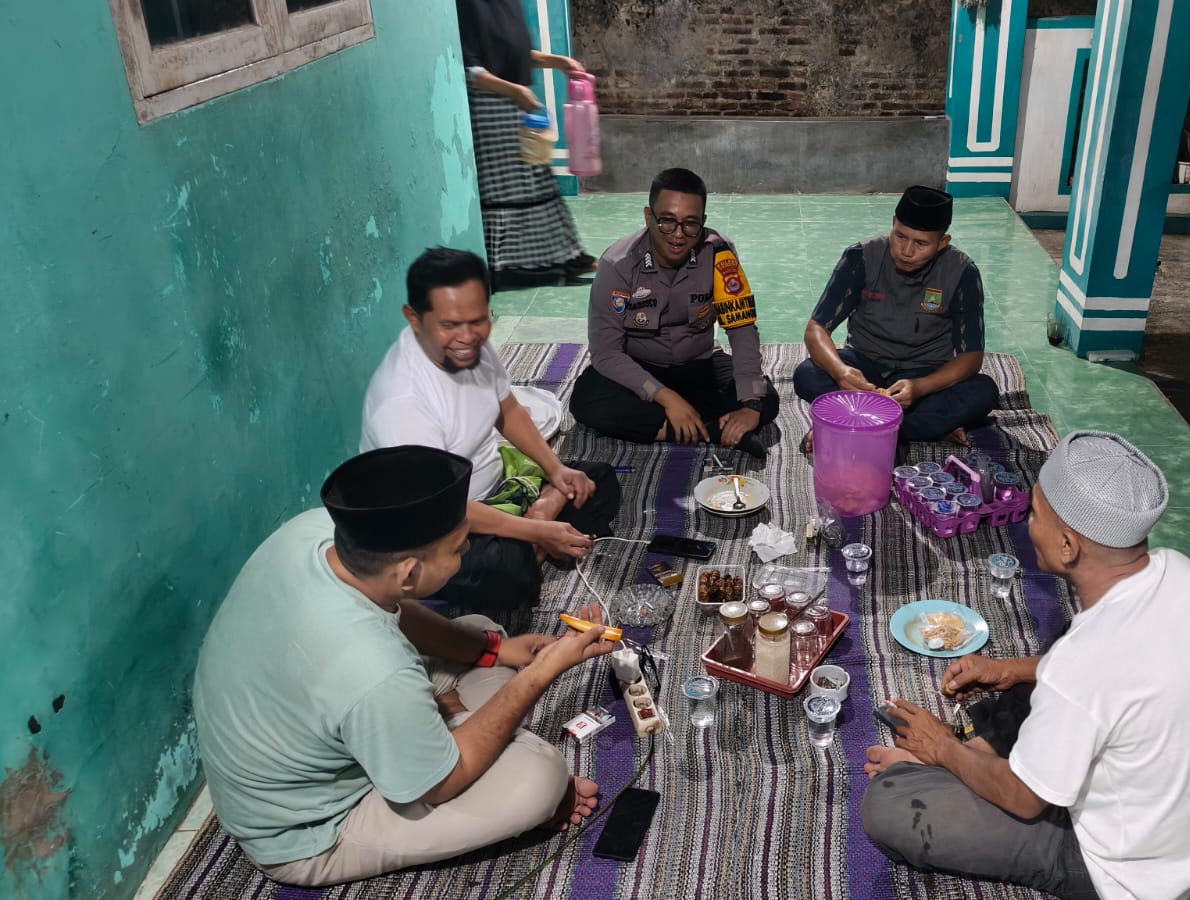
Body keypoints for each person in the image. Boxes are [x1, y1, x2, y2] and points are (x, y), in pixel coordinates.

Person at [193, 445, 616, 886]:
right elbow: (443, 784)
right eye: (457, 548)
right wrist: (539, 673)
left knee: (481, 634)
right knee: (541, 778)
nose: (467, 547)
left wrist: (498, 651)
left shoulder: (315, 532)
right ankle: (436, 731)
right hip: (310, 830)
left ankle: (429, 725)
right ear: (410, 572)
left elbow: (392, 606)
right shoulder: (375, 667)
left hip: (319, 719)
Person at [861, 431, 1190, 900]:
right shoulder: (1181, 573)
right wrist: (1010, 670)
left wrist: (942, 747)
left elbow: (1024, 800)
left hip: (1129, 872)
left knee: (889, 805)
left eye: (1033, 514)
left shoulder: (1083, 663)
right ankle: (981, 753)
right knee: (1040, 673)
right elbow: (1113, 674)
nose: (1027, 524)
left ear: (1067, 545)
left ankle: (962, 760)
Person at [361, 247, 621, 613]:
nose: (468, 336)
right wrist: (537, 530)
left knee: (595, 480)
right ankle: (532, 547)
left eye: (479, 320)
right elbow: (442, 509)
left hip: (501, 488)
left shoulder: (471, 349)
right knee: (505, 578)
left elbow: (507, 408)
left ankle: (534, 535)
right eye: (450, 325)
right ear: (414, 319)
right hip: (436, 526)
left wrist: (554, 473)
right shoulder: (403, 403)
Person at [569, 168, 779, 458]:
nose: (678, 235)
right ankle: (709, 429)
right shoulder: (618, 264)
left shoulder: (719, 253)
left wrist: (751, 405)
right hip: (641, 370)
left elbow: (741, 328)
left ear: (703, 221)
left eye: (690, 224)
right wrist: (666, 397)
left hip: (700, 365)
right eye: (667, 221)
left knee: (765, 397)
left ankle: (676, 422)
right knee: (586, 400)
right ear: (648, 217)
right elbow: (606, 353)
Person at [794, 185, 999, 448]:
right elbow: (816, 329)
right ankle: (922, 427)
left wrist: (921, 387)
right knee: (807, 374)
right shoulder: (861, 256)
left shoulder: (962, 272)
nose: (907, 251)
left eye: (921, 243)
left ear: (942, 243)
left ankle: (848, 422)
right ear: (892, 224)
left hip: (924, 374)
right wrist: (841, 371)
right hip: (865, 367)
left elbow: (971, 357)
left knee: (983, 392)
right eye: (900, 236)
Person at [456, 0, 594, 288]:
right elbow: (469, 69)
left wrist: (558, 62)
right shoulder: (468, 5)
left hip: (517, 103)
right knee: (506, 189)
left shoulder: (509, 4)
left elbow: (515, 52)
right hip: (490, 107)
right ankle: (507, 267)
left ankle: (563, 257)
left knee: (537, 181)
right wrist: (515, 91)